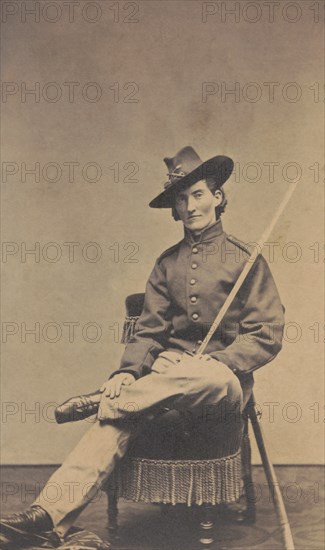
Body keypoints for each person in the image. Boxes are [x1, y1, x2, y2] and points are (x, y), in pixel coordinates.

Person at [0, 146, 285, 548]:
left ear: (218, 196)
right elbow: (149, 332)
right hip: (163, 382)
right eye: (182, 199)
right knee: (116, 415)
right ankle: (48, 515)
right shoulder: (166, 264)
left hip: (223, 386)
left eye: (199, 194)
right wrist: (126, 372)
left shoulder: (246, 259)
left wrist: (215, 361)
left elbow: (266, 333)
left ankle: (105, 399)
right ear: (175, 208)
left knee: (199, 376)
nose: (190, 206)